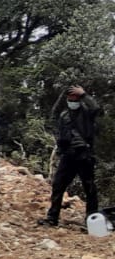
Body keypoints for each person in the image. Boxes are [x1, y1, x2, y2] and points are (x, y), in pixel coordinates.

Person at [41, 85, 103, 227]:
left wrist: (84, 94)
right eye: (70, 98)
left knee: (90, 188)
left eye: (75, 97)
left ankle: (91, 221)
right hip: (68, 156)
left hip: (84, 155)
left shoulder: (86, 112)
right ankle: (52, 217)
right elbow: (54, 114)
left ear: (79, 98)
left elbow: (96, 109)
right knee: (58, 185)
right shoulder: (64, 115)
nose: (72, 100)